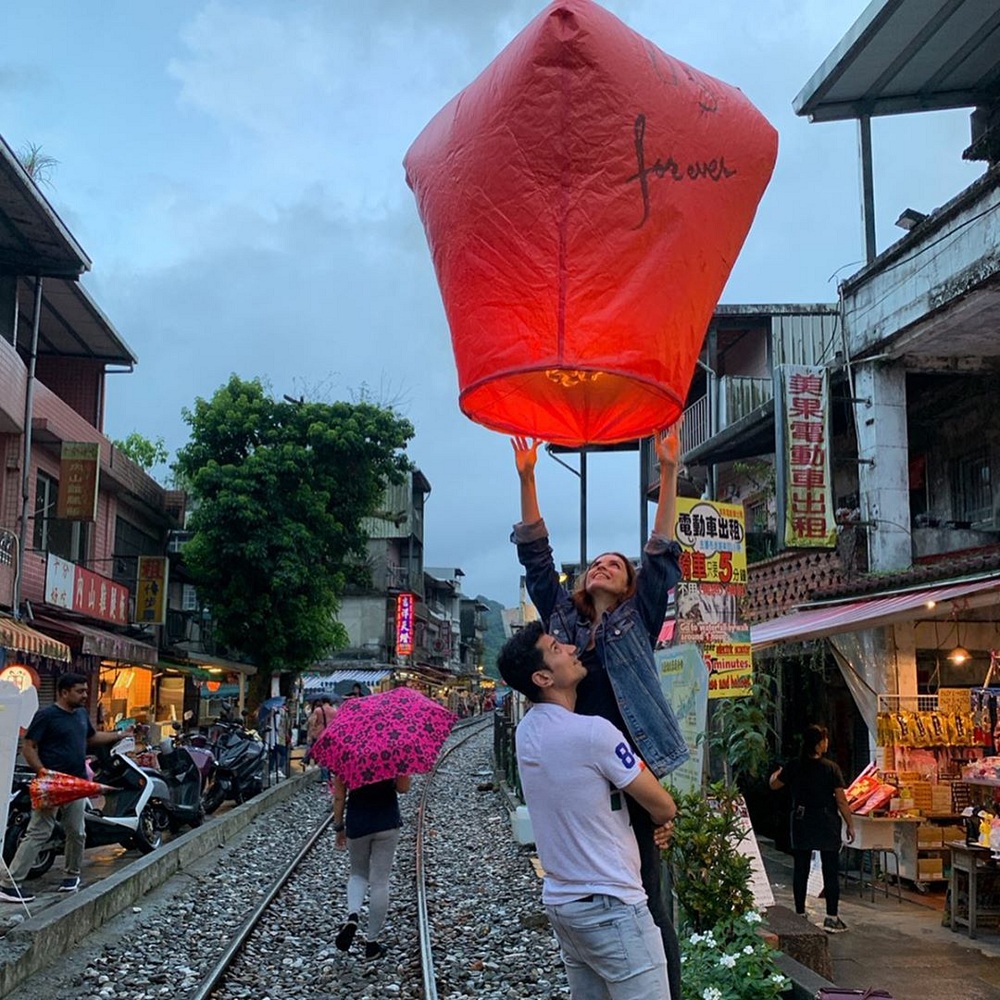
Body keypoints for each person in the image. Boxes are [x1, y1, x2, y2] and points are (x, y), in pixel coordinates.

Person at [511, 424, 688, 999]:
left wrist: (667, 470)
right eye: (598, 563)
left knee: (646, 891)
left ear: (631, 584)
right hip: (581, 768)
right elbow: (539, 560)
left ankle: (662, 986)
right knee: (591, 874)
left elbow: (661, 552)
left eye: (617, 563)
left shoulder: (639, 617)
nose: (605, 565)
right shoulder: (561, 623)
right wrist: (529, 476)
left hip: (631, 763)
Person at [498, 621, 677, 998]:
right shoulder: (594, 733)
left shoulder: (526, 733)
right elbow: (662, 803)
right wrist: (663, 820)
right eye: (556, 647)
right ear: (543, 677)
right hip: (614, 907)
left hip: (565, 908)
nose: (570, 647)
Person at [0, 672, 130, 903]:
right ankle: (10, 884)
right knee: (39, 831)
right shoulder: (46, 716)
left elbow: (92, 737)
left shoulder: (80, 715)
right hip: (52, 784)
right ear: (63, 692)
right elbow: (29, 747)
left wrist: (120, 734)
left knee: (77, 831)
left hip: (77, 783)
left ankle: (72, 876)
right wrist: (43, 772)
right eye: (80, 691)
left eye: (85, 690)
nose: (84, 695)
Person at [769, 723, 855, 933]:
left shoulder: (794, 766)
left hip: (802, 820)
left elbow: (774, 785)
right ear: (818, 745)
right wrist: (849, 824)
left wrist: (778, 772)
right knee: (830, 870)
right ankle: (832, 917)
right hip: (826, 821)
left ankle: (800, 914)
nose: (827, 743)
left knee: (801, 869)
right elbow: (842, 801)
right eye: (824, 740)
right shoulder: (831, 768)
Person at [332, 770, 410, 961]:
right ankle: (371, 944)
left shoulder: (345, 754)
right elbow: (404, 788)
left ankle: (353, 916)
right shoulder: (394, 751)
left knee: (358, 874)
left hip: (357, 823)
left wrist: (339, 827)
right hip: (386, 822)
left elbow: (339, 797)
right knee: (380, 882)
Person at [304, 697, 337, 776]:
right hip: (330, 735)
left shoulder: (318, 710)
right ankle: (329, 774)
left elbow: (312, 723)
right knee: (329, 755)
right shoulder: (334, 711)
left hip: (319, 735)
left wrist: (310, 735)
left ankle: (323, 776)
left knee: (320, 755)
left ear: (322, 702)